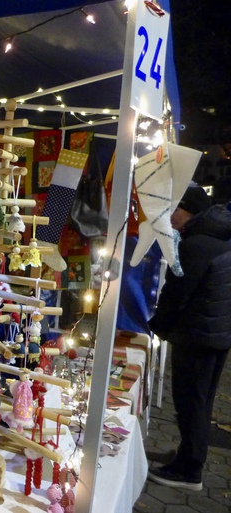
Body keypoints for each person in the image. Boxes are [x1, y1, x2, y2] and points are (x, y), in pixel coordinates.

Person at [147, 185, 231, 491]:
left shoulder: (195, 245)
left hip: (197, 336)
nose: (170, 217)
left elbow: (177, 293)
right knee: (201, 401)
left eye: (175, 210)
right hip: (215, 335)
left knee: (190, 402)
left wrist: (158, 326)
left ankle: (188, 470)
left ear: (189, 211)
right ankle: (189, 454)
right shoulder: (218, 237)